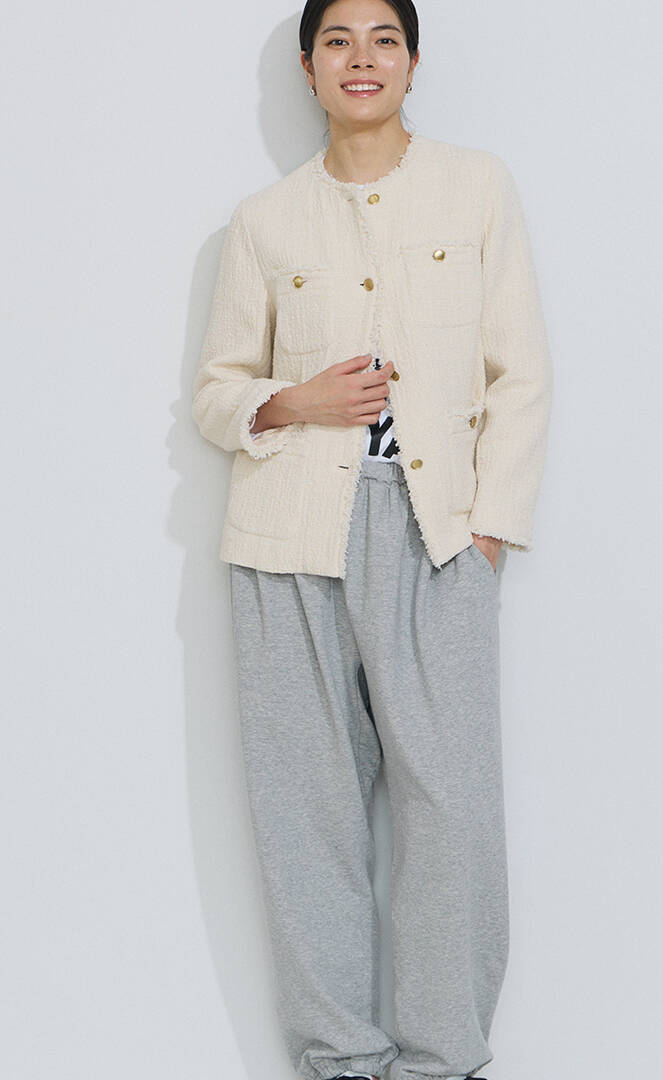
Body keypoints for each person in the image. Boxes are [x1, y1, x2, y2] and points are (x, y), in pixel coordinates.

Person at [192, 2, 553, 1079]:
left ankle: (443, 1060)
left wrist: (490, 532)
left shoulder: (476, 188)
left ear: (412, 62)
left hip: (436, 530)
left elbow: (521, 374)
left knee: (452, 807)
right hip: (287, 535)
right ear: (309, 69)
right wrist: (292, 401)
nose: (362, 59)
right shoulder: (264, 221)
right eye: (339, 42)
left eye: (383, 40)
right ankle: (341, 1061)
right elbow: (216, 394)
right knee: (306, 812)